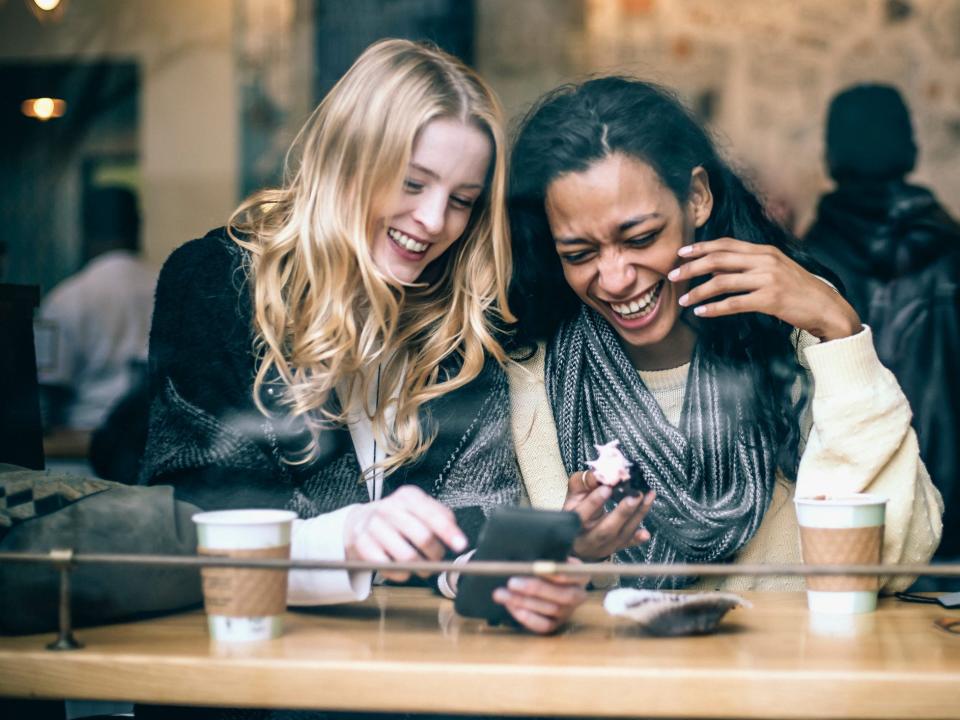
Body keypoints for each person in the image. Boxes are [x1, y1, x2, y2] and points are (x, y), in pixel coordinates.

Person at [139, 39, 585, 634]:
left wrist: (495, 575)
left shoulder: (458, 318)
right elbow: (196, 513)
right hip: (254, 666)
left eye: (461, 201)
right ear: (349, 159)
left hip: (403, 672)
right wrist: (344, 538)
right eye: (411, 183)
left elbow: (473, 516)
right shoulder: (218, 282)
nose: (433, 222)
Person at [506, 77, 943, 591]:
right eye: (578, 254)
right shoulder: (533, 374)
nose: (616, 277)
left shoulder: (793, 343)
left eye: (641, 237)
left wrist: (839, 332)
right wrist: (569, 552)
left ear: (696, 197)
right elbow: (511, 592)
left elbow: (897, 556)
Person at [804, 83, 960, 573]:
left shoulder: (806, 268)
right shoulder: (953, 254)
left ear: (830, 156)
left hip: (846, 508)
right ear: (909, 148)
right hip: (951, 506)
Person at [36, 186, 157, 435]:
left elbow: (48, 389)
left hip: (82, 445)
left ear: (84, 229)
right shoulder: (168, 286)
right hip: (151, 441)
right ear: (139, 225)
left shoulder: (67, 298)